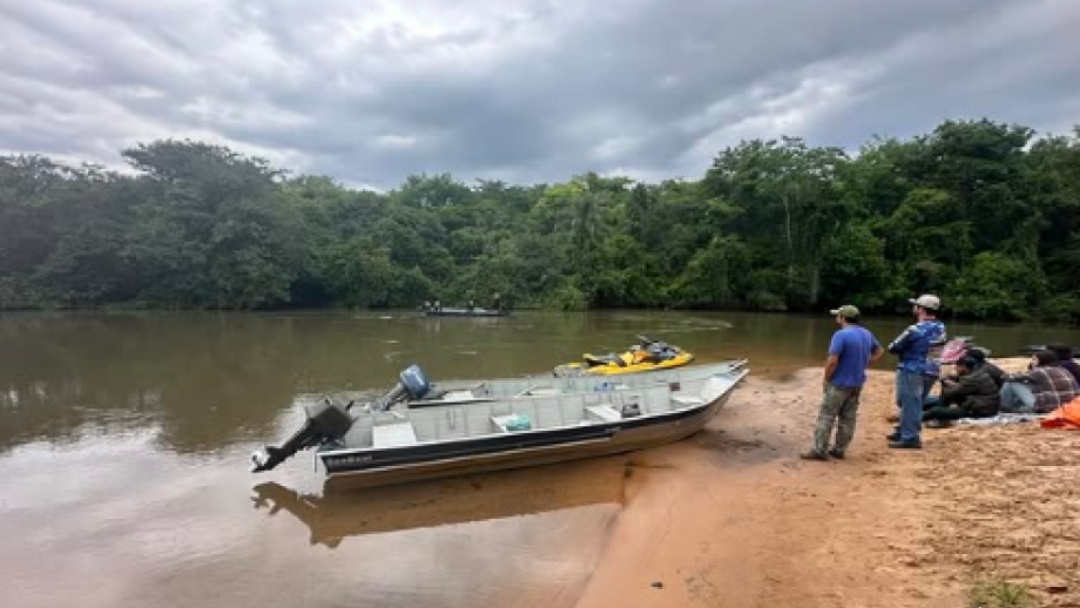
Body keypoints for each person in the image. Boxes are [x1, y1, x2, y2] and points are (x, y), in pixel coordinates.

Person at [801, 304, 884, 461]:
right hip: (856, 382)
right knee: (848, 417)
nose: (836, 318)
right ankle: (839, 449)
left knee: (826, 416)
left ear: (843, 318)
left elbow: (832, 360)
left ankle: (819, 450)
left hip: (839, 382)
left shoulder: (841, 335)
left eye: (838, 315)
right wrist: (865, 363)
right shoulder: (866, 333)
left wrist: (826, 378)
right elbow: (879, 351)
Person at [886, 294, 946, 449]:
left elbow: (893, 347)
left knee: (908, 401)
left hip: (912, 369)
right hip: (932, 370)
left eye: (916, 306)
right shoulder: (940, 327)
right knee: (913, 401)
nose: (914, 308)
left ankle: (910, 437)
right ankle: (904, 429)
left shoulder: (915, 329)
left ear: (921, 309)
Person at [921, 355, 1000, 426]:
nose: (955, 368)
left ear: (964, 367)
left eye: (957, 366)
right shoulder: (977, 373)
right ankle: (940, 412)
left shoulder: (972, 379)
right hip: (983, 406)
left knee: (936, 411)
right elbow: (959, 380)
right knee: (943, 398)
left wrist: (946, 382)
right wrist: (949, 380)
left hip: (980, 412)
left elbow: (950, 393)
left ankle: (915, 419)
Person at [999, 350, 1080, 414]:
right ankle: (1008, 406)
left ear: (1041, 360)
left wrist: (1003, 375)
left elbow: (1010, 377)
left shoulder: (1040, 371)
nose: (1032, 362)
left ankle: (1004, 406)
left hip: (1049, 408)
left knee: (1012, 383)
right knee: (1025, 386)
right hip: (1067, 407)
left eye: (1034, 359)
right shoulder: (1062, 369)